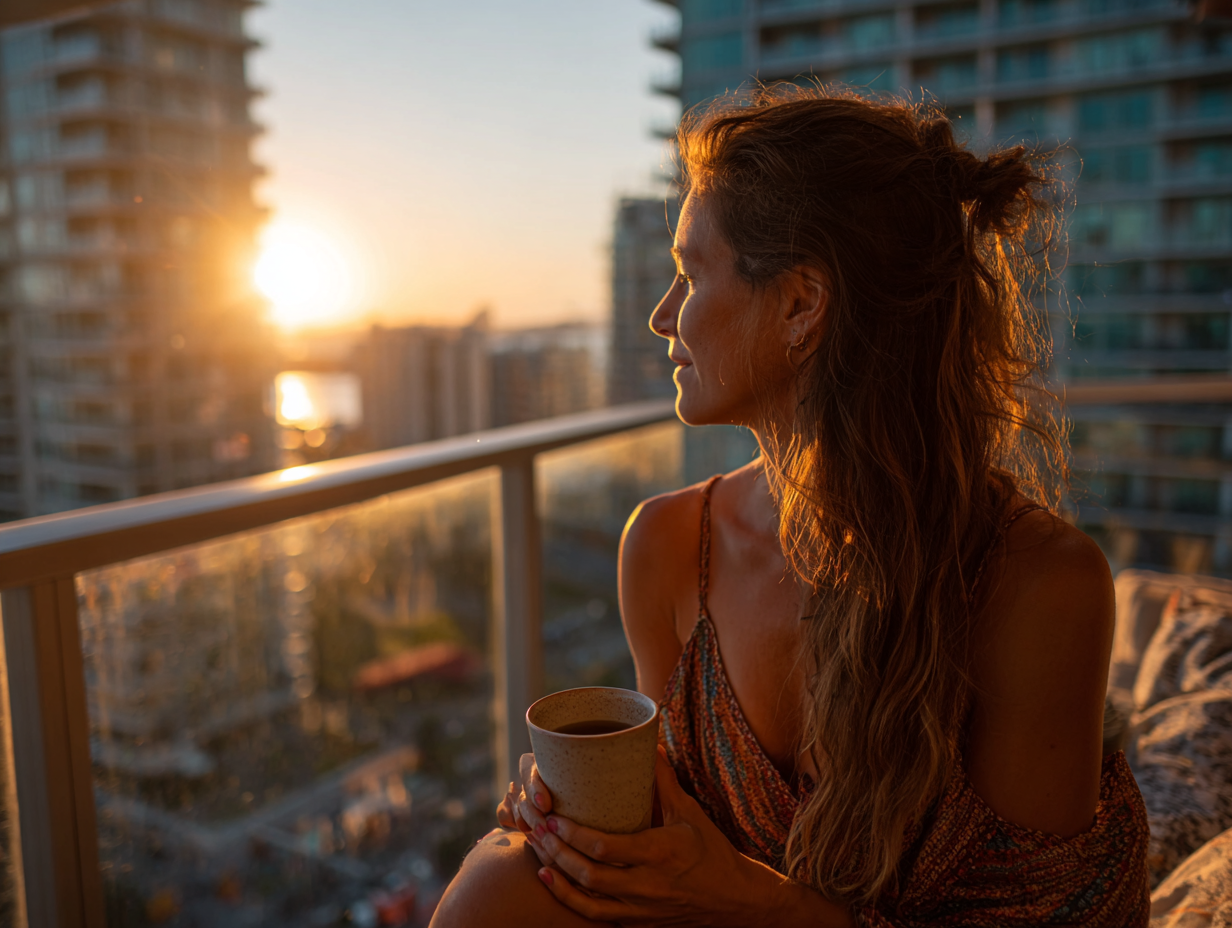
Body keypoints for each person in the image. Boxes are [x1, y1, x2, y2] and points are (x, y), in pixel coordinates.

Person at [430, 86, 1150, 927]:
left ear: (803, 304)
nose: (664, 317)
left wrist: (744, 896)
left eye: (692, 273)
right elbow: (673, 836)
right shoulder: (668, 547)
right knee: (502, 877)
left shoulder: (1039, 586)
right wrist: (575, 827)